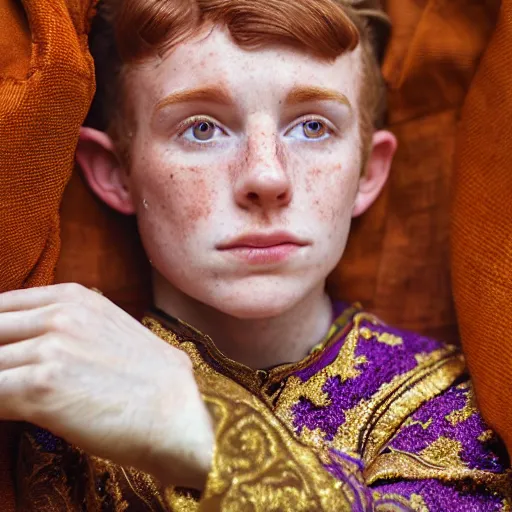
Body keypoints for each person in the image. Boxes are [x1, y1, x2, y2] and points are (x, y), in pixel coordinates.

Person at [1, 0, 510, 510]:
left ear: (368, 172)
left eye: (313, 127)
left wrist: (190, 425)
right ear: (115, 172)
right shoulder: (57, 391)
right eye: (202, 128)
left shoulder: (446, 405)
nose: (266, 177)